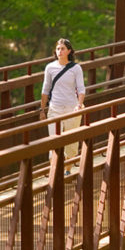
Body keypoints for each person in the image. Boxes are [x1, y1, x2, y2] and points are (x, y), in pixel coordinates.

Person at [40, 38, 86, 171]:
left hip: (71, 109)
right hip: (55, 109)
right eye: (58, 49)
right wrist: (42, 109)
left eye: (63, 49)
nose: (60, 51)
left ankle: (68, 169)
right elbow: (45, 89)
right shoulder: (50, 67)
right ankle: (55, 170)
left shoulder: (76, 68)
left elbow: (81, 89)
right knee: (54, 141)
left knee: (71, 143)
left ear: (69, 51)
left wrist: (79, 105)